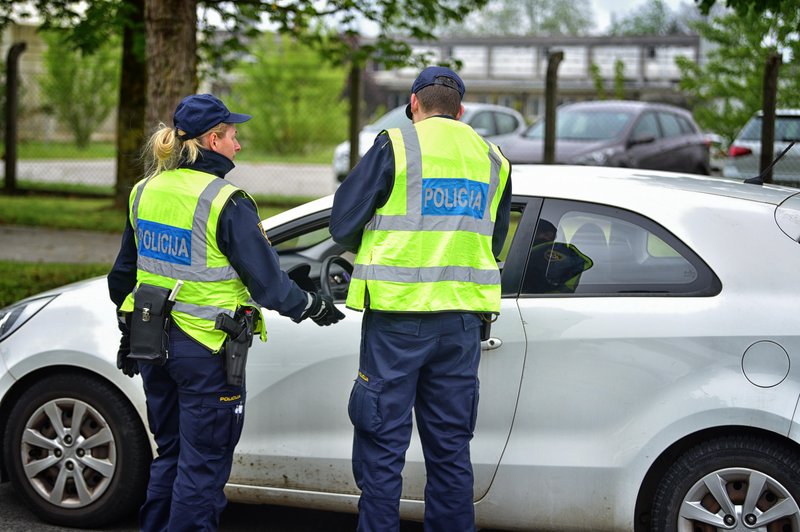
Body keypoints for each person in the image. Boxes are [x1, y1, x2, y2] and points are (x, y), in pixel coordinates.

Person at [107, 93, 344, 532]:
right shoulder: (226, 201)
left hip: (151, 343)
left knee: (173, 455)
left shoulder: (144, 191)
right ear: (213, 139)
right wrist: (311, 304)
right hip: (206, 350)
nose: (239, 144)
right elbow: (269, 285)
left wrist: (128, 331)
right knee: (203, 466)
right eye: (233, 135)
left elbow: (122, 277)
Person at [329, 67, 512, 531]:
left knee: (383, 445)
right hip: (462, 323)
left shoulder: (397, 145)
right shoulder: (492, 158)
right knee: (450, 449)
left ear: (414, 104)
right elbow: (493, 239)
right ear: (461, 111)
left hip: (398, 319)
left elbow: (341, 222)